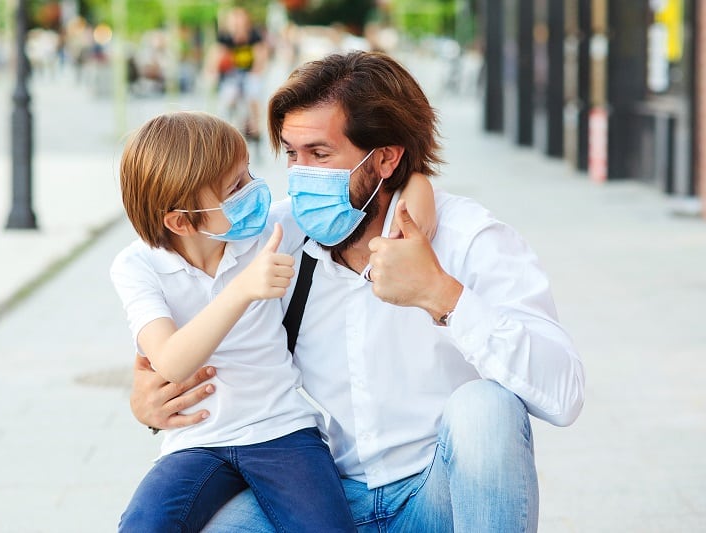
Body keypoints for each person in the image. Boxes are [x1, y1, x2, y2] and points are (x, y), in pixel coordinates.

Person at [131, 51, 586, 532]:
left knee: (485, 410)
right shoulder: (279, 237)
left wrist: (443, 297)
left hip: (438, 495)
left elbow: (565, 394)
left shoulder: (469, 239)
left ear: (386, 157)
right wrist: (150, 403)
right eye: (291, 153)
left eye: (320, 155)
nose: (301, 175)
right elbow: (187, 262)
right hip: (330, 494)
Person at [110, 110, 436, 531]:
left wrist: (422, 201)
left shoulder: (268, 229)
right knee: (144, 524)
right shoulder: (136, 267)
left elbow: (402, 187)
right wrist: (245, 287)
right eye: (235, 187)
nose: (255, 191)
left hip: (282, 431)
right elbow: (171, 361)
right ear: (180, 220)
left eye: (248, 173)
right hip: (197, 444)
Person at [207, 7, 268, 142]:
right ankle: (227, 127)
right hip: (232, 73)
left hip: (250, 72)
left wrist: (257, 70)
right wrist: (212, 70)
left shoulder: (253, 35)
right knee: (228, 97)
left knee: (253, 93)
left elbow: (261, 55)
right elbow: (216, 53)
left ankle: (255, 127)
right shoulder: (225, 37)